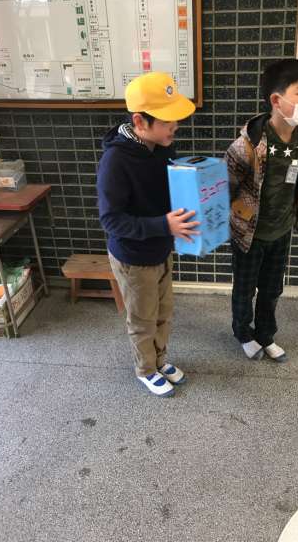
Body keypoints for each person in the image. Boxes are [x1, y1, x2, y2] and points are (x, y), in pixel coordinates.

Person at [97, 72, 199, 397]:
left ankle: (160, 360)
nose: (175, 126)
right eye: (167, 120)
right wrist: (163, 226)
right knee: (142, 318)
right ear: (140, 121)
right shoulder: (116, 160)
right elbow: (111, 220)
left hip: (161, 248)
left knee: (164, 312)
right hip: (133, 257)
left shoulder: (161, 146)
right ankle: (145, 369)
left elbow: (169, 190)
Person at [225, 59, 298, 362]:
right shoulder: (248, 145)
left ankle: (266, 334)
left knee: (272, 289)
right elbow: (225, 187)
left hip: (281, 230)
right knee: (245, 288)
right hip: (250, 234)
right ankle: (243, 332)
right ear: (277, 100)